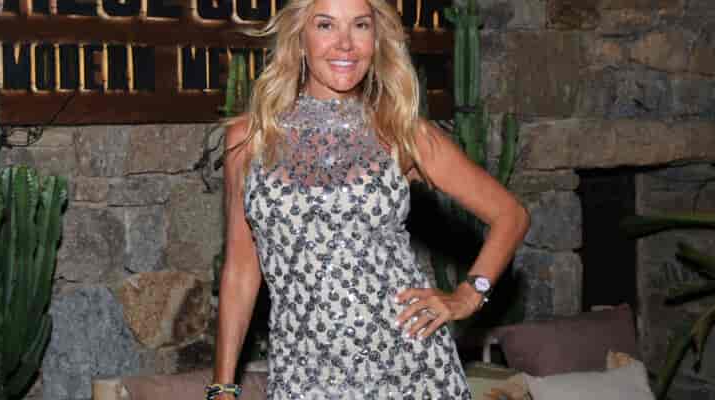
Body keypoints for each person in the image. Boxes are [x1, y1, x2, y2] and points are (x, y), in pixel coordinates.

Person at [207, 0, 530, 398]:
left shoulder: (401, 132)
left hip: (408, 367)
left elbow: (510, 215)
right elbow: (241, 270)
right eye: (326, 25)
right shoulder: (248, 139)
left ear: (376, 40)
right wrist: (222, 386)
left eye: (360, 26)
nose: (345, 43)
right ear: (299, 38)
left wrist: (468, 295)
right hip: (301, 372)